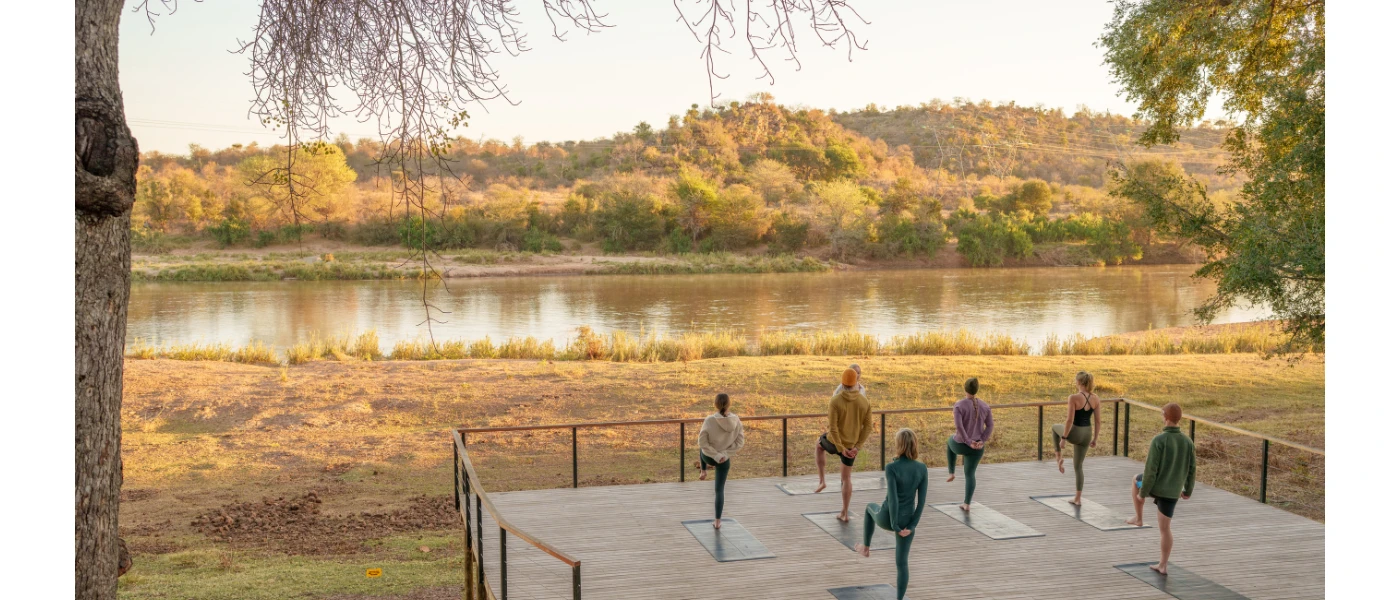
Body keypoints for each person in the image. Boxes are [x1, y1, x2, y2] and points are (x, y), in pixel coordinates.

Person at [855, 428, 928, 600]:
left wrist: (894, 525)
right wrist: (911, 526)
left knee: (868, 508)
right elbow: (922, 502)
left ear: (898, 445)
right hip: (908, 521)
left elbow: (893, 499)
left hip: (888, 518)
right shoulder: (922, 468)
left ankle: (866, 548)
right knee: (902, 564)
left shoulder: (891, 467)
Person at [1126, 402, 1197, 576]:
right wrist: (1187, 491)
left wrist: (1143, 494)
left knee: (1136, 479)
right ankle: (1163, 565)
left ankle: (1139, 518)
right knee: (1165, 529)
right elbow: (1192, 469)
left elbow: (1150, 471)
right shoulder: (1188, 442)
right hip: (1172, 493)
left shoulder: (1159, 440)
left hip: (1155, 489)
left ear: (1165, 417)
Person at [815, 367, 873, 521]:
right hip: (851, 446)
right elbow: (868, 427)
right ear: (856, 382)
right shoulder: (864, 401)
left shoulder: (835, 400)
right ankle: (845, 513)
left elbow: (833, 428)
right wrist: (857, 447)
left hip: (835, 443)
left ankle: (822, 481)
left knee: (819, 444)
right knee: (846, 478)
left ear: (842, 382)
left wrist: (840, 448)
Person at [695, 393, 745, 529]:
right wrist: (724, 454)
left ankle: (703, 470)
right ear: (729, 404)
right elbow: (740, 443)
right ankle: (717, 521)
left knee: (702, 447)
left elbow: (702, 442)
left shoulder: (709, 420)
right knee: (719, 490)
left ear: (715, 404)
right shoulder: (737, 420)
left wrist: (715, 455)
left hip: (709, 457)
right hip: (724, 460)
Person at [1052, 371, 1101, 505]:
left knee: (1054, 427)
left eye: (1075, 381)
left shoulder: (1073, 397)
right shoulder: (1095, 398)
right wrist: (1095, 439)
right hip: (1087, 434)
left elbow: (1069, 420)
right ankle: (1078, 499)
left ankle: (1058, 458)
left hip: (1076, 432)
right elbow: (1098, 421)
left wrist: (1063, 438)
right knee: (1078, 467)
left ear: (1079, 382)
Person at [946, 377, 993, 511]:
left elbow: (959, 427)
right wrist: (981, 441)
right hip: (977, 448)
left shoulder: (959, 405)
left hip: (961, 444)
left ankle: (951, 472)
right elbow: (990, 426)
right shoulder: (985, 406)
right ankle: (967, 504)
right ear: (976, 390)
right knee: (970, 474)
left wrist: (968, 441)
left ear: (965, 388)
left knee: (949, 441)